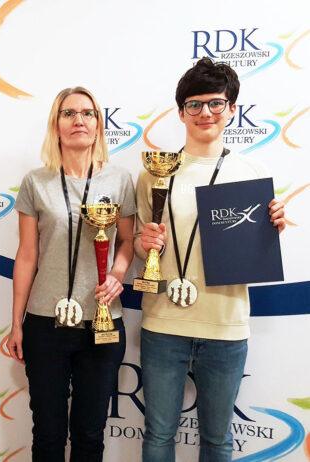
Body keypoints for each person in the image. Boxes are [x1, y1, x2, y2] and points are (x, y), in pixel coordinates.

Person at [135, 57, 286, 462]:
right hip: (163, 323)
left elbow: (257, 249)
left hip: (225, 325)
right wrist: (144, 242)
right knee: (158, 435)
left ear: (231, 108)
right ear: (181, 111)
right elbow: (139, 245)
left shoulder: (252, 172)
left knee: (218, 441)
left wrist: (272, 227)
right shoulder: (154, 173)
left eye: (216, 103)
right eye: (195, 104)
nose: (205, 112)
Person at [6, 87, 136, 461]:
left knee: (90, 435)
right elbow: (27, 255)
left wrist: (117, 274)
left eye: (87, 113)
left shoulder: (119, 180)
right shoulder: (36, 182)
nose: (79, 120)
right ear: (56, 125)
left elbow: (128, 242)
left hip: (102, 323)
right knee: (47, 435)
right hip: (45, 324)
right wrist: (16, 324)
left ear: (98, 125)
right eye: (69, 113)